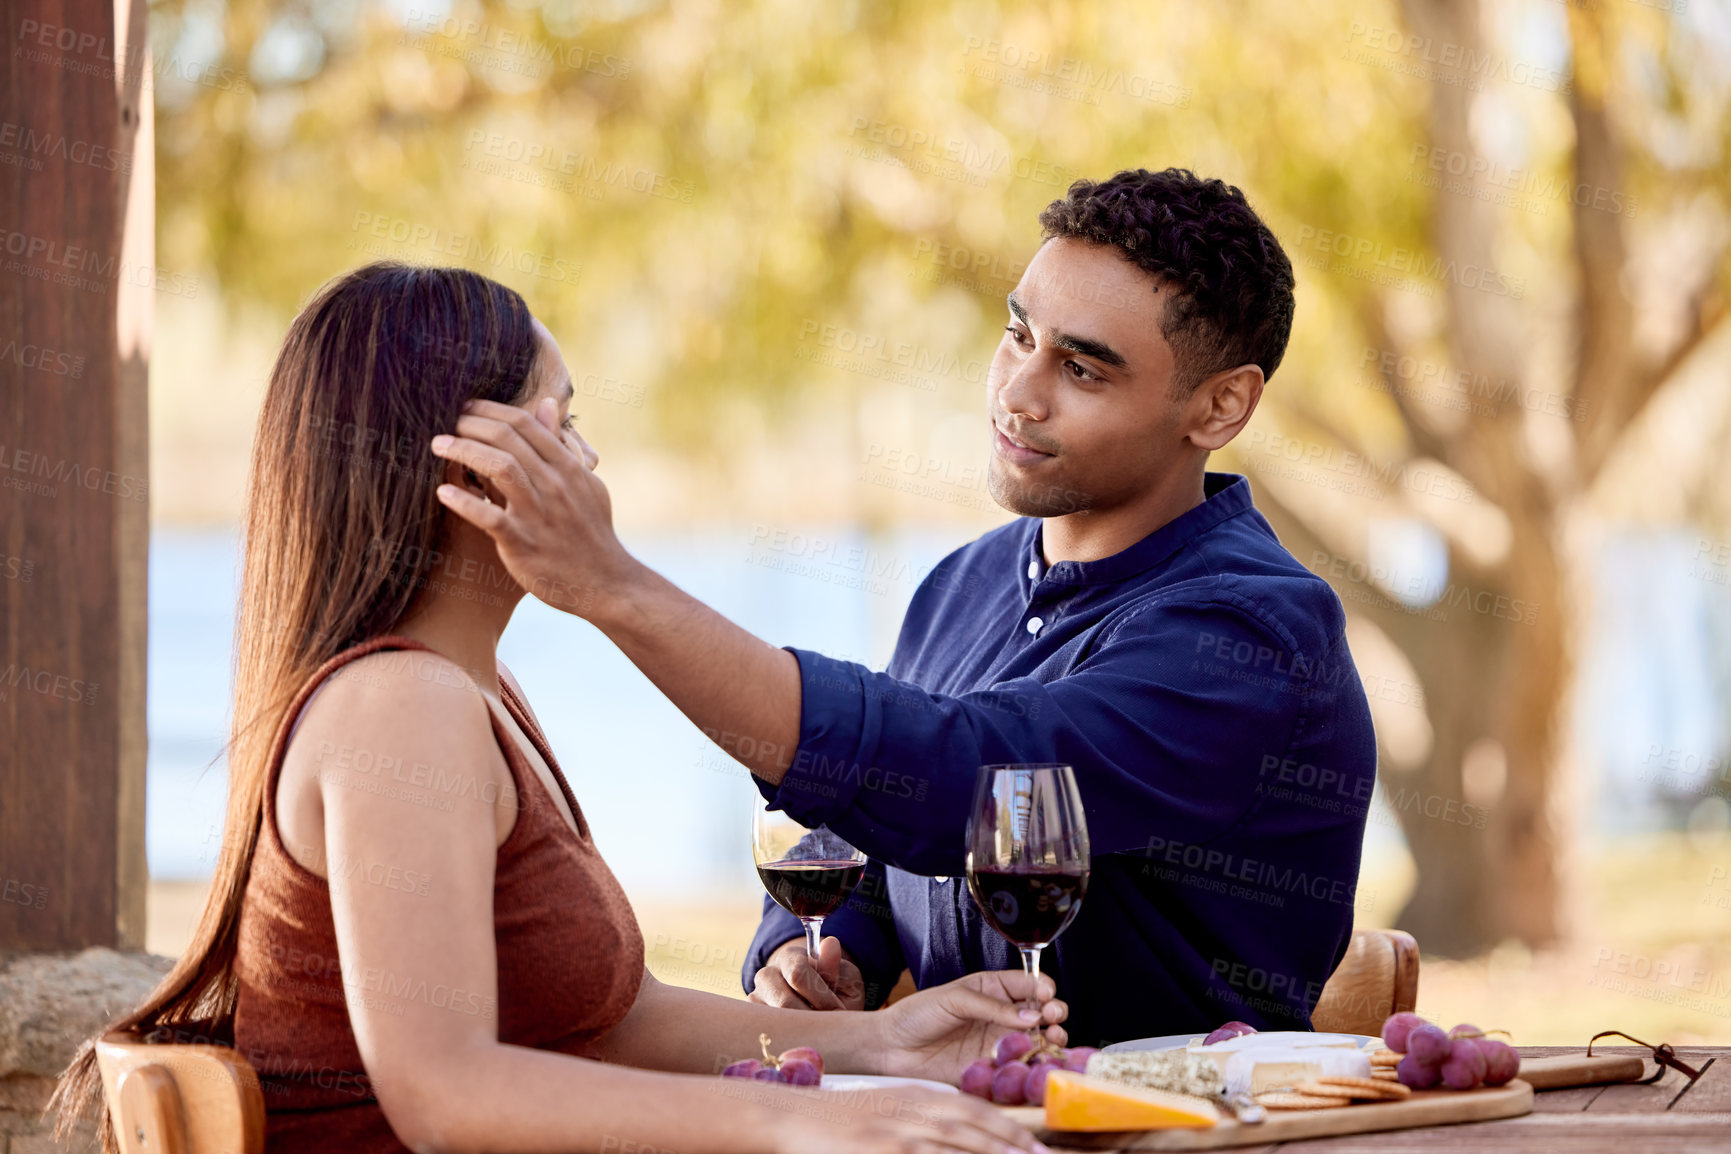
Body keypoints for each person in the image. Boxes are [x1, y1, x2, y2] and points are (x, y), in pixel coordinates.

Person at [53, 263, 1067, 1154]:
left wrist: (877, 1043)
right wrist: (803, 1119)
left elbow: (609, 1022)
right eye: (565, 426)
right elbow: (444, 1094)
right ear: (477, 472)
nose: (590, 467)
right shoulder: (399, 708)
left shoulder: (476, 695)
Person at [424, 167, 1378, 1049]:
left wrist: (613, 586)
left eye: (1083, 370)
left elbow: (960, 778)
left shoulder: (1253, 638)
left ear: (1217, 409)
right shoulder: (960, 584)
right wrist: (814, 954)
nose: (1018, 393)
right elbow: (878, 846)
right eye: (1017, 334)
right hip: (962, 1123)